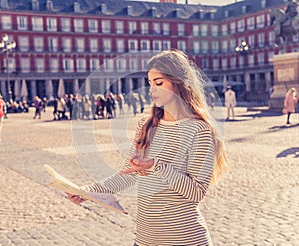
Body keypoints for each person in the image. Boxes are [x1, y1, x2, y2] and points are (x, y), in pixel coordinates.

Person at [67, 50, 228, 245]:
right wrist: (89, 191)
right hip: (145, 240)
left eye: (159, 83)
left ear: (179, 83)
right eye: (150, 83)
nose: (152, 90)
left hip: (185, 240)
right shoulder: (146, 126)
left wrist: (156, 164)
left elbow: (195, 192)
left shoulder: (198, 130)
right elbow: (129, 173)